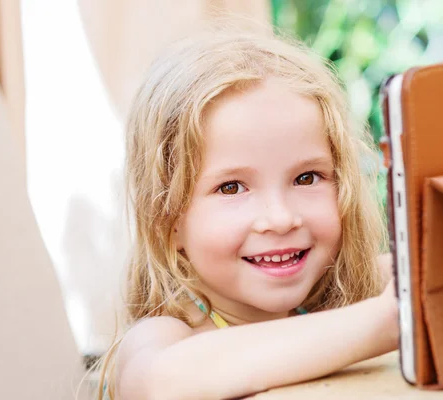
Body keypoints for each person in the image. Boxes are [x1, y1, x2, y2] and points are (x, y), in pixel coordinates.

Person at [96, 30, 398, 400]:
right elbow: (161, 382)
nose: (281, 218)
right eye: (232, 187)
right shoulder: (163, 338)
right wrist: (384, 322)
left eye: (306, 178)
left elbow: (420, 273)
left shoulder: (330, 302)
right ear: (168, 221)